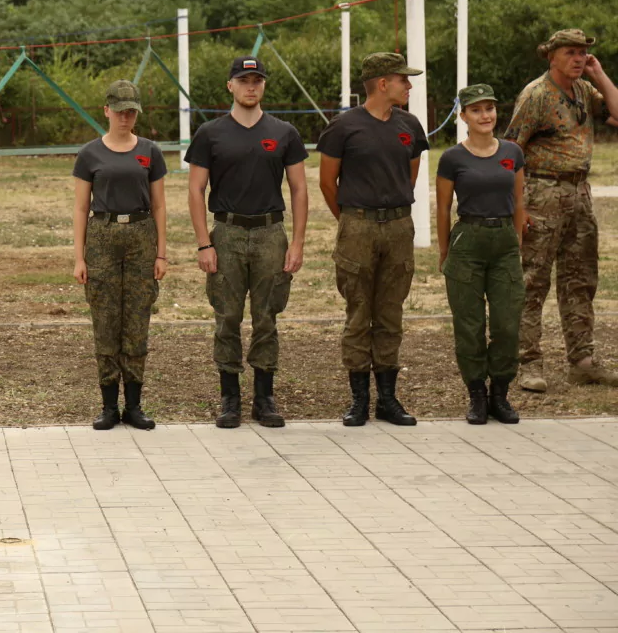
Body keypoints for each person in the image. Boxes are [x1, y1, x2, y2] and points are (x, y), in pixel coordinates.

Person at [185, 56, 308, 428]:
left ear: (264, 85)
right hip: (228, 233)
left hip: (271, 233)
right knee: (227, 317)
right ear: (231, 86)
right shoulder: (211, 133)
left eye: (257, 80)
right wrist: (205, 244)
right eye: (243, 80)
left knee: (267, 317)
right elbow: (195, 189)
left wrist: (298, 242)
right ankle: (230, 398)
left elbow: (300, 189)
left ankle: (264, 398)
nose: (250, 86)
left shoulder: (284, 132)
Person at [317, 52, 429, 427]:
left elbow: (408, 176)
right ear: (383, 83)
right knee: (358, 312)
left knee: (390, 312)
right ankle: (359, 400)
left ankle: (388, 399)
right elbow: (326, 182)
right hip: (358, 227)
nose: (409, 86)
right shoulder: (343, 127)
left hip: (398, 227)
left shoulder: (410, 125)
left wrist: (388, 212)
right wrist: (352, 219)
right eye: (403, 79)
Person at [504, 29, 618, 392]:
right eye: (571, 52)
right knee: (532, 280)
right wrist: (517, 208)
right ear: (551, 56)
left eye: (583, 53)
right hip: (542, 191)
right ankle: (528, 364)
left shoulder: (584, 90)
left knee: (581, 280)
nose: (579, 59)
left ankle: (582, 361)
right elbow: (509, 153)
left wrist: (599, 74)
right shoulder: (536, 95)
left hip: (579, 193)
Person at [73, 80, 168, 430]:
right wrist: (79, 257)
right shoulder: (89, 154)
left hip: (142, 235)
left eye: (132, 111)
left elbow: (159, 205)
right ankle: (109, 405)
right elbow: (81, 207)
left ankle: (135, 404)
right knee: (106, 317)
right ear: (107, 111)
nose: (126, 117)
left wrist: (161, 253)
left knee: (137, 319)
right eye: (120, 111)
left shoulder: (150, 151)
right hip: (102, 236)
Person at [436, 85, 525, 424]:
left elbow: (519, 202)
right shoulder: (452, 158)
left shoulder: (512, 153)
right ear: (463, 117)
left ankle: (499, 394)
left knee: (507, 323)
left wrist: (515, 243)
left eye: (489, 108)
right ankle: (476, 394)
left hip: (504, 243)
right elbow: (443, 208)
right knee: (469, 324)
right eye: (476, 110)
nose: (485, 115)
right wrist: (445, 251)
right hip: (467, 242)